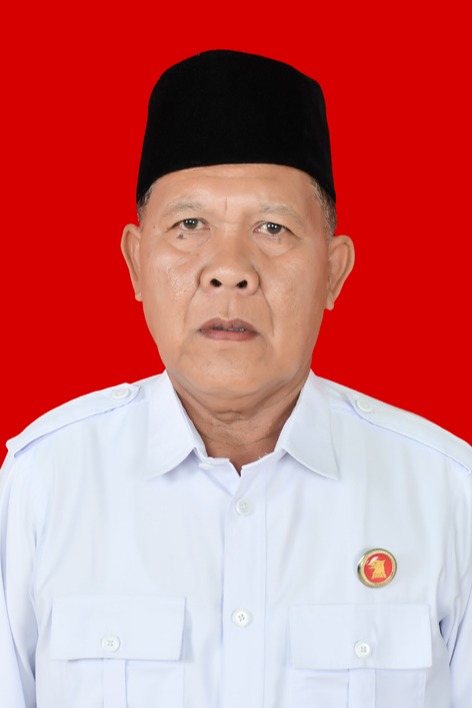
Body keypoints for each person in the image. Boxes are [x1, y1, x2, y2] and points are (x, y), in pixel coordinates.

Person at [0, 49, 470, 708]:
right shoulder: (42, 486)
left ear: (334, 272)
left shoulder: (446, 493)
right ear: (136, 263)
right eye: (189, 225)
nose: (229, 270)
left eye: (273, 228)